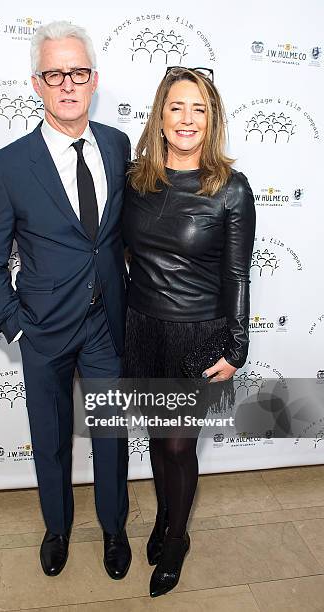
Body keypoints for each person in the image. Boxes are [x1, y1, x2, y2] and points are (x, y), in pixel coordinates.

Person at [0, 21, 132, 580]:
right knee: (50, 438)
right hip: (43, 328)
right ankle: (57, 528)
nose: (68, 85)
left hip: (108, 325)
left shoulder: (117, 144)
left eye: (78, 73)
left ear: (95, 81)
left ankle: (115, 531)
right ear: (37, 84)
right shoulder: (8, 165)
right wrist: (17, 324)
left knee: (113, 435)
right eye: (55, 74)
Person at [122, 66, 256, 597]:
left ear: (212, 120)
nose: (187, 119)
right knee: (158, 438)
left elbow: (237, 274)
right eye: (177, 106)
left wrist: (237, 346)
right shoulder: (136, 179)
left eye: (199, 109)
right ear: (160, 115)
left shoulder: (231, 188)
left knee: (179, 446)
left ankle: (177, 539)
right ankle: (162, 520)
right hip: (142, 328)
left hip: (197, 335)